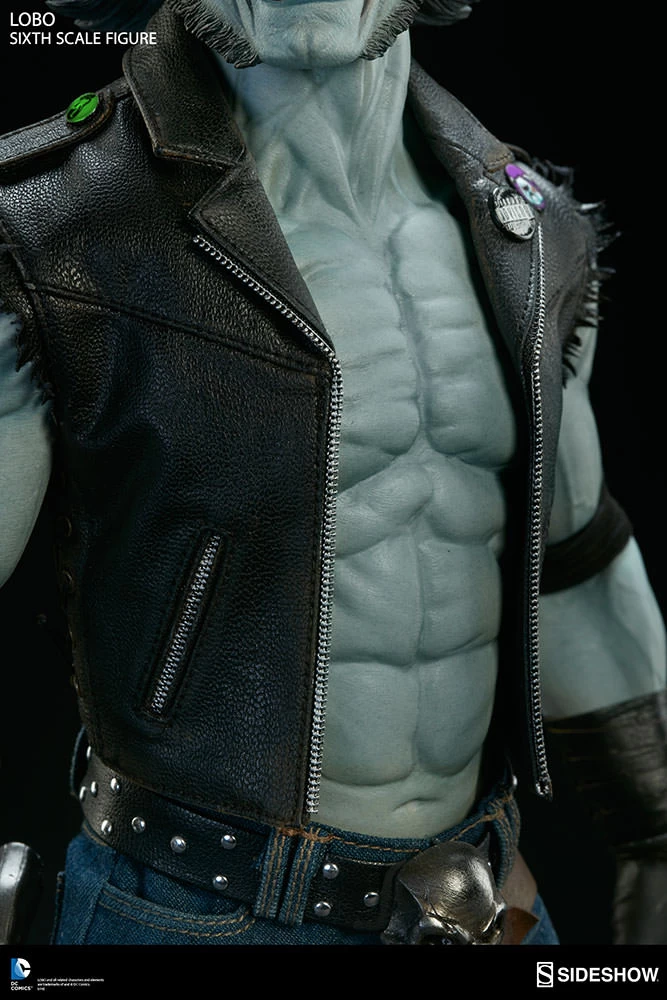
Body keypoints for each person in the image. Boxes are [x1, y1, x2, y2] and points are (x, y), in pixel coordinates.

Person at [0, 0, 665, 945]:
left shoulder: (529, 229)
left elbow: (571, 556)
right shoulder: (48, 230)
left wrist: (654, 828)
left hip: (482, 899)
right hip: (194, 909)